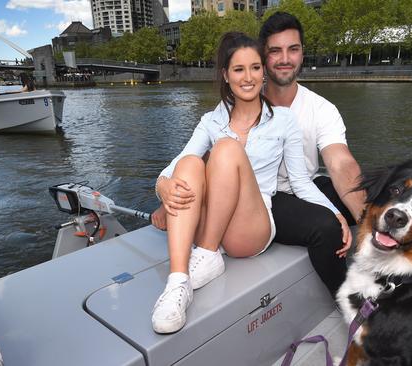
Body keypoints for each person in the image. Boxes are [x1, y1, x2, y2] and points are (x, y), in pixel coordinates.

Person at [151, 32, 350, 334]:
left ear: (263, 73)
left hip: (249, 227)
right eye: (239, 69)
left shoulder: (283, 120)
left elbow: (300, 181)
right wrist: (162, 186)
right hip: (212, 222)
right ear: (225, 75)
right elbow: (176, 164)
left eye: (255, 68)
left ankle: (205, 253)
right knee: (189, 163)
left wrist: (334, 213)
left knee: (227, 148)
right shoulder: (210, 120)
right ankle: (178, 283)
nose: (248, 77)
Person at [259, 12, 365, 297]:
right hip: (265, 200)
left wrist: (368, 226)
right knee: (326, 227)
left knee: (379, 199)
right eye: (275, 51)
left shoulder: (321, 108)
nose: (285, 59)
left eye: (292, 49)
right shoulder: (245, 104)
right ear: (263, 56)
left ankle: (397, 284)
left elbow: (340, 162)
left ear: (302, 54)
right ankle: (355, 308)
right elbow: (210, 156)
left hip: (305, 189)